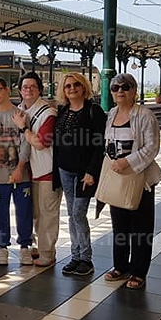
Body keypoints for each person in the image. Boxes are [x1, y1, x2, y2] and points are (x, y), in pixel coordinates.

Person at [102, 73, 161, 290]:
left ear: (134, 91)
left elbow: (151, 147)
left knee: (141, 227)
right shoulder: (111, 114)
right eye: (115, 87)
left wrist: (127, 162)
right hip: (118, 178)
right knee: (119, 224)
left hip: (140, 178)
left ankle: (139, 271)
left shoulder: (144, 115)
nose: (120, 91)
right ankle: (120, 266)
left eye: (125, 87)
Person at [53, 73, 106, 276]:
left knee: (78, 213)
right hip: (65, 169)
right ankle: (75, 257)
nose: (72, 88)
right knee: (71, 214)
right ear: (63, 90)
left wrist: (92, 171)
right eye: (67, 86)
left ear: (84, 88)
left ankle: (86, 258)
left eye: (76, 85)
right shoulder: (63, 111)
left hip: (85, 173)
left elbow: (100, 144)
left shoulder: (94, 111)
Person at [0, 78, 34, 266]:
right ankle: (2, 246)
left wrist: (21, 167)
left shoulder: (21, 115)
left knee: (24, 211)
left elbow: (26, 143)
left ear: (6, 90)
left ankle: (25, 246)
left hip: (21, 173)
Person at [13, 72, 61, 267]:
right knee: (34, 212)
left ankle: (47, 253)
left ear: (40, 89)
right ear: (20, 90)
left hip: (47, 171)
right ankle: (39, 247)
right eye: (25, 87)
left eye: (33, 87)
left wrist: (24, 128)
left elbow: (41, 143)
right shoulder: (19, 110)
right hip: (29, 172)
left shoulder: (48, 113)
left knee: (47, 213)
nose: (28, 90)